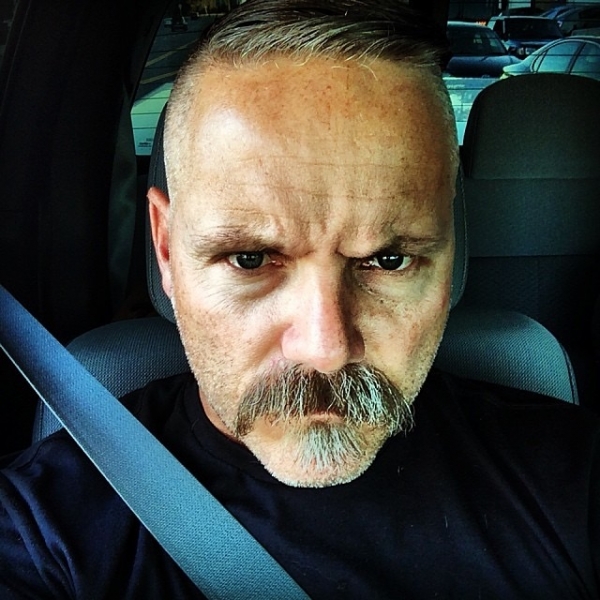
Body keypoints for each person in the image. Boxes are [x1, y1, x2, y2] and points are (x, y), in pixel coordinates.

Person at [0, 1, 598, 598]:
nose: (325, 349)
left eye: (389, 260)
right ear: (166, 251)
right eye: (249, 259)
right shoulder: (45, 532)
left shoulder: (572, 476)